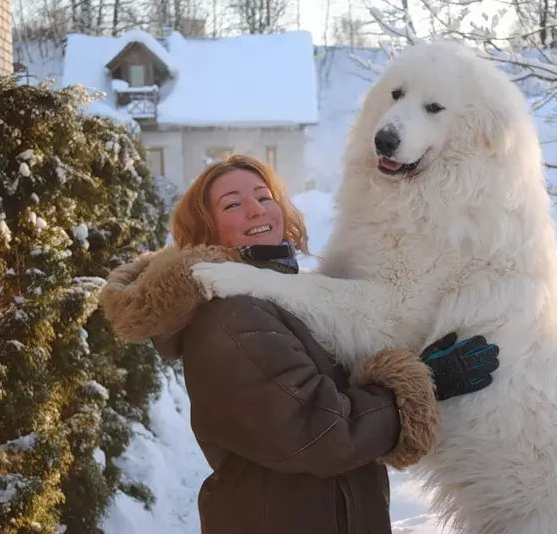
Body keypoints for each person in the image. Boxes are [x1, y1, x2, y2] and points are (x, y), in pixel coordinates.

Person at [99, 154, 500, 534]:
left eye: (263, 196)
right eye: (232, 204)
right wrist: (425, 385)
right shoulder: (230, 315)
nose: (256, 209)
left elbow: (337, 387)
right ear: (207, 230)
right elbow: (319, 431)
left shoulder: (278, 298)